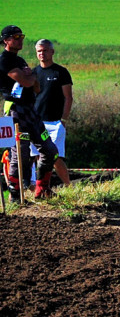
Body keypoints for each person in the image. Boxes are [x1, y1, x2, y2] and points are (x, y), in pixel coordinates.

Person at [0, 25, 58, 199]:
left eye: (22, 36)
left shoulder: (20, 60)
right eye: (16, 36)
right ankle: (15, 196)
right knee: (20, 155)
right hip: (15, 112)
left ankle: (42, 189)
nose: (20, 39)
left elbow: (37, 88)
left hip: (31, 110)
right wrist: (31, 76)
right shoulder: (4, 60)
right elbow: (27, 82)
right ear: (6, 40)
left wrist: (30, 77)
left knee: (50, 150)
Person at [29, 39, 74, 187]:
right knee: (37, 157)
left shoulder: (61, 72)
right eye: (39, 51)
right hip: (36, 123)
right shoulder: (33, 73)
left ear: (52, 51)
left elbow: (68, 97)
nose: (42, 53)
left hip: (55, 122)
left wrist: (64, 120)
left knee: (55, 157)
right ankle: (42, 189)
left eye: (45, 50)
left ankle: (69, 186)